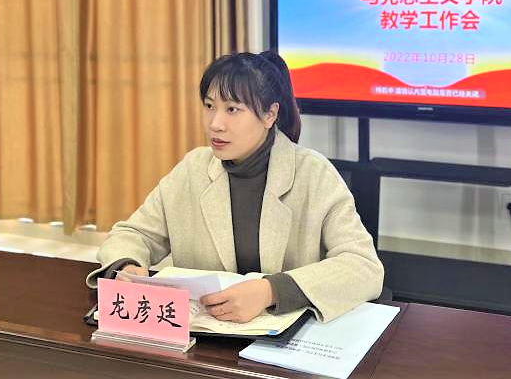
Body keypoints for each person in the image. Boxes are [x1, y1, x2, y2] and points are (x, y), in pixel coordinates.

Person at [86, 51, 384, 323]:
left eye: (232, 109)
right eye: (209, 106)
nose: (215, 123)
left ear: (270, 115)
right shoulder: (193, 168)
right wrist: (127, 267)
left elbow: (363, 266)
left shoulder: (314, 174)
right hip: (203, 337)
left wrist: (271, 291)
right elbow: (133, 234)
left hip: (282, 338)